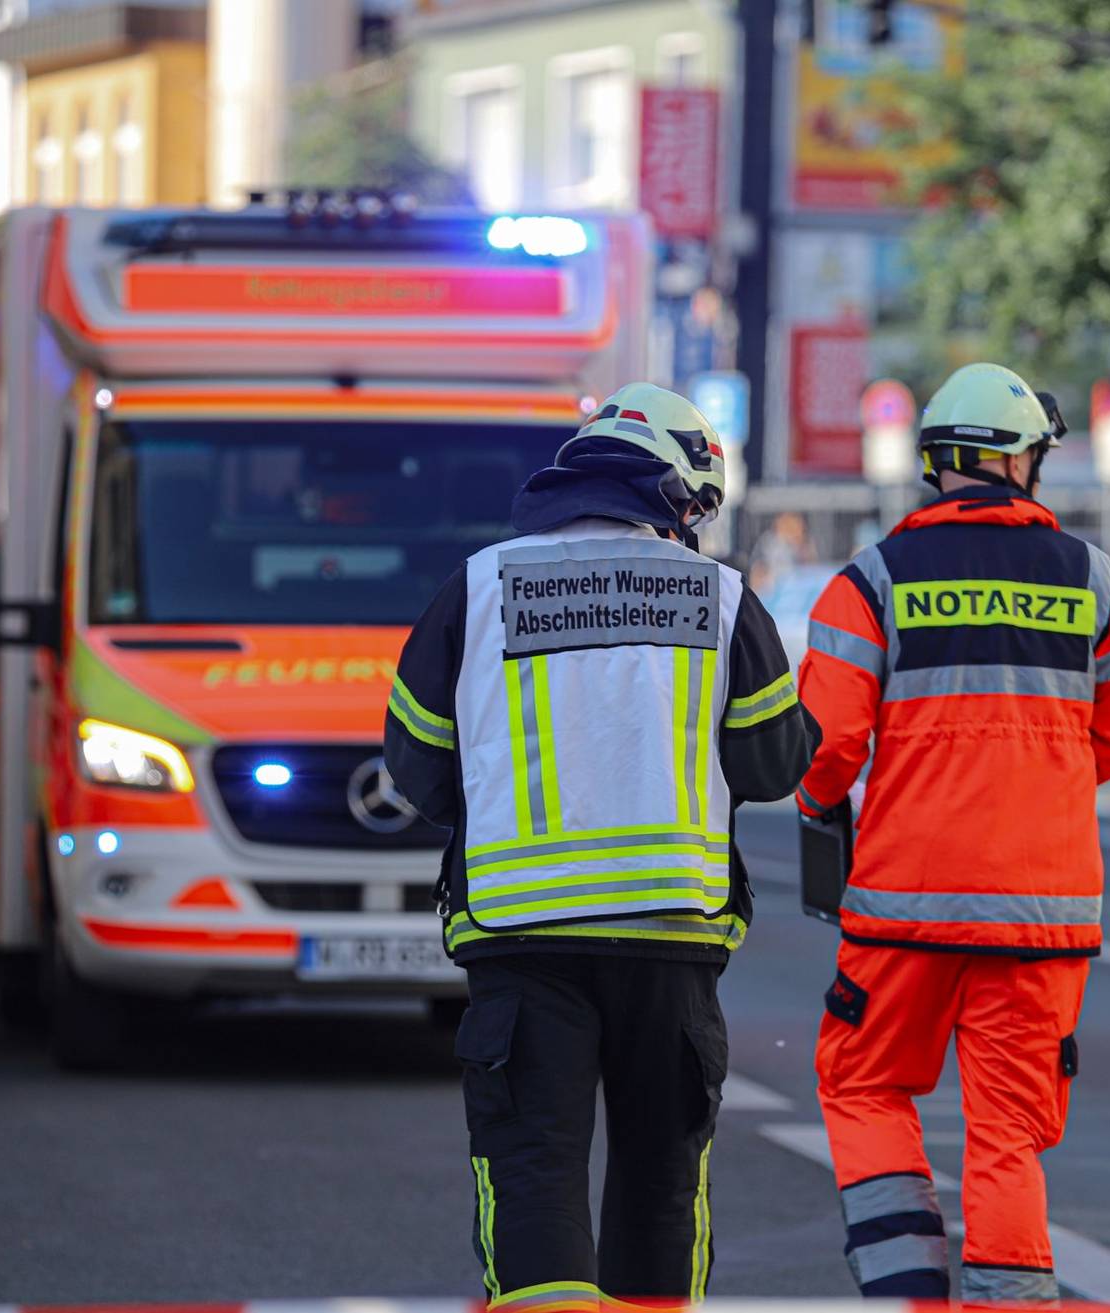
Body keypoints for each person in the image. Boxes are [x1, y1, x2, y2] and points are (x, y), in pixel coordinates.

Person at [384, 383, 818, 1306]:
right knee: (661, 1180)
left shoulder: (479, 587)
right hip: (673, 940)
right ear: (677, 489)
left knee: (534, 1173)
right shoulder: (720, 596)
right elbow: (776, 760)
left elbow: (416, 763)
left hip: (521, 939)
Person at [796, 363, 1110, 1302]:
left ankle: (908, 1290)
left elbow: (826, 748)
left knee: (863, 1084)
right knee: (1008, 1133)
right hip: (1041, 913)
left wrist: (819, 806)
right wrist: (1039, 781)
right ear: (1021, 461)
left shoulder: (871, 581)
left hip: (904, 907)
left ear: (939, 463)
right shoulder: (1096, 579)